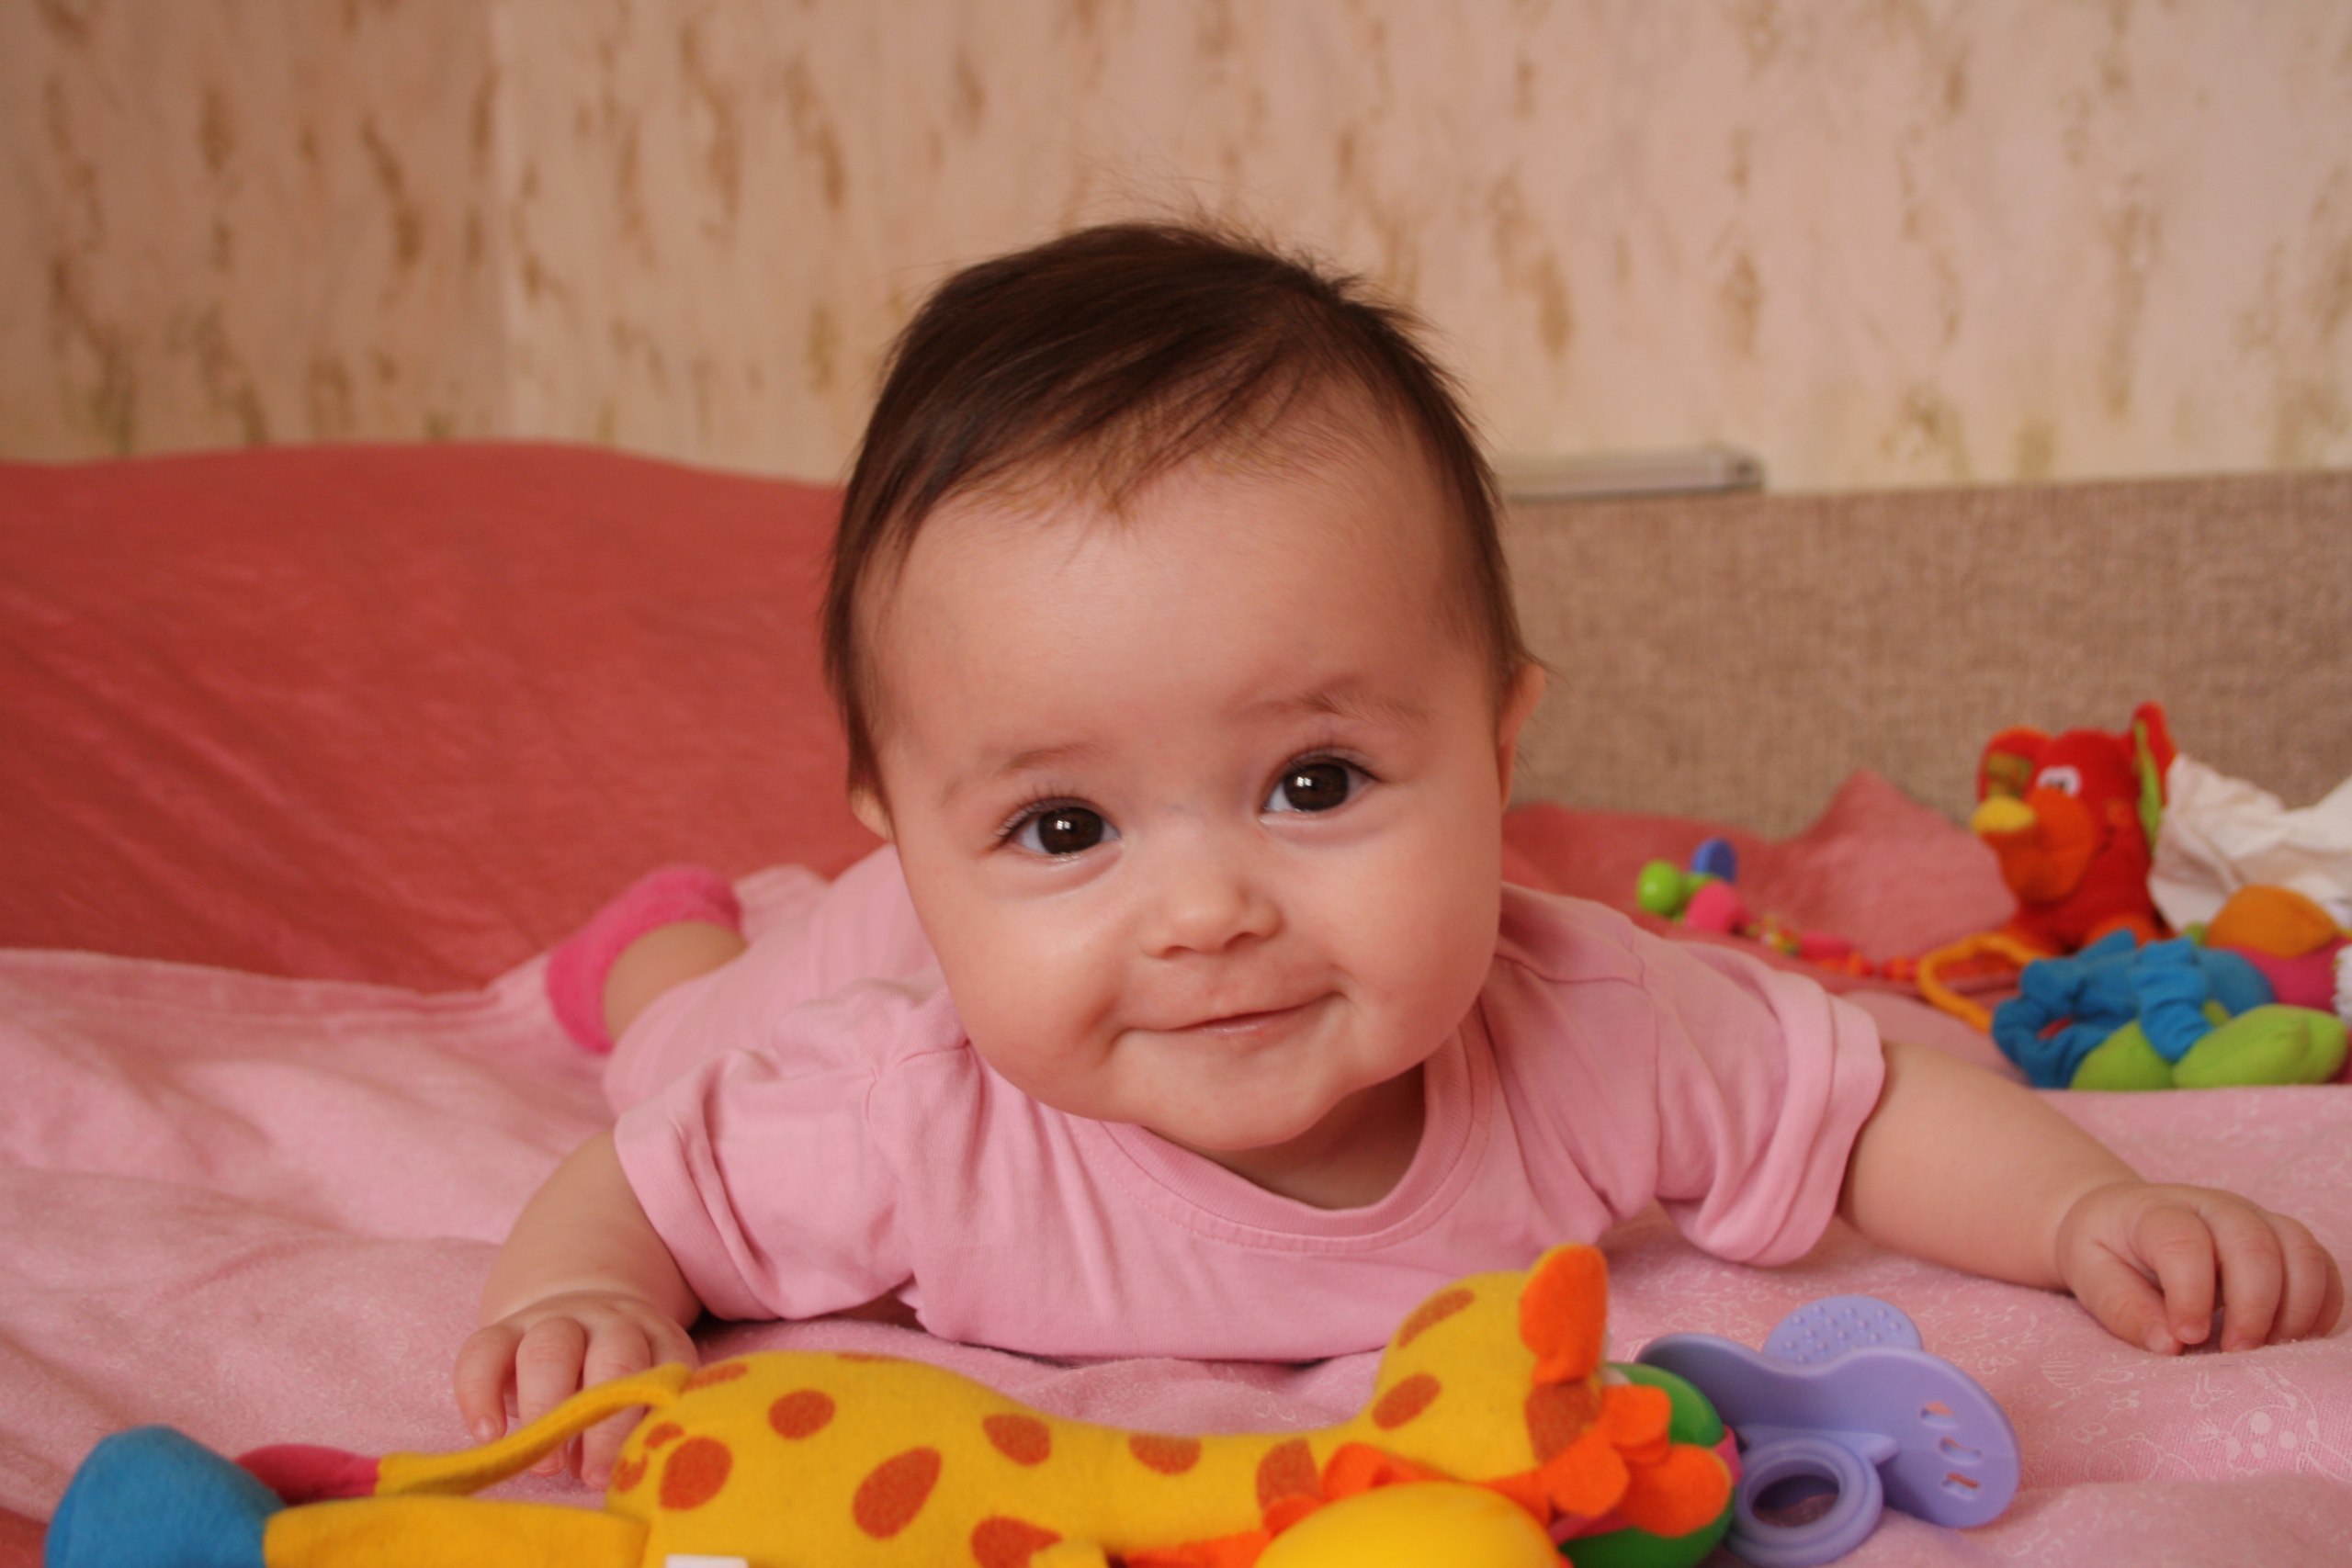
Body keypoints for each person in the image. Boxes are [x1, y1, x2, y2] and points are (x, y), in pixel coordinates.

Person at [454, 221, 2343, 1484]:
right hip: (856, 965)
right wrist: (575, 1293)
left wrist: (2086, 1211)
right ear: (905, 830)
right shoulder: (890, 1118)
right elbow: (644, 1181)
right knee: (678, 1032)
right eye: (1061, 822)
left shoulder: (1594, 1027)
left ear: (1500, 748)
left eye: (1314, 781)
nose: (1208, 910)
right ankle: (667, 939)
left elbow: (1858, 1107)